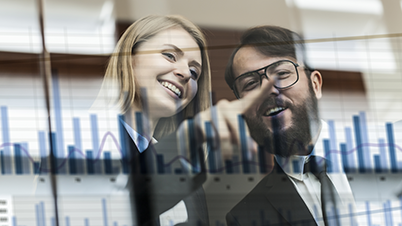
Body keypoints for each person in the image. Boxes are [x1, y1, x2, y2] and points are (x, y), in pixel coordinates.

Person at [97, 15, 211, 226]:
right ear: (131, 57)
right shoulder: (90, 147)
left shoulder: (184, 174)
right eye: (169, 55)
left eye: (194, 72)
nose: (186, 73)